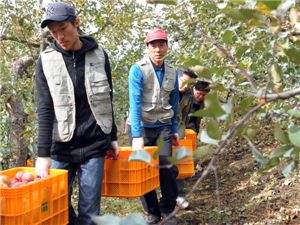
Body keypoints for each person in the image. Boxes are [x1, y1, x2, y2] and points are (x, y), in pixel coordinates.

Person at [34, 2, 118, 225]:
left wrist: (113, 138)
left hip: (93, 145)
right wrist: (43, 155)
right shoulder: (46, 61)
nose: (59, 36)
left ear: (76, 24)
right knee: (55, 206)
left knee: (90, 213)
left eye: (63, 28)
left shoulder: (99, 55)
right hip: (60, 147)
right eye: (53, 32)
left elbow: (107, 98)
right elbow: (44, 108)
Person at [128, 28, 179, 225]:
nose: (158, 49)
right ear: (147, 47)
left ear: (167, 46)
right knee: (144, 170)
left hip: (163, 125)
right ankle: (152, 211)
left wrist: (174, 129)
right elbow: (135, 101)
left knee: (166, 167)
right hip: (142, 126)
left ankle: (167, 208)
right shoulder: (137, 69)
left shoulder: (173, 72)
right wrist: (137, 135)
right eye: (153, 45)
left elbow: (174, 102)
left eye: (161, 44)